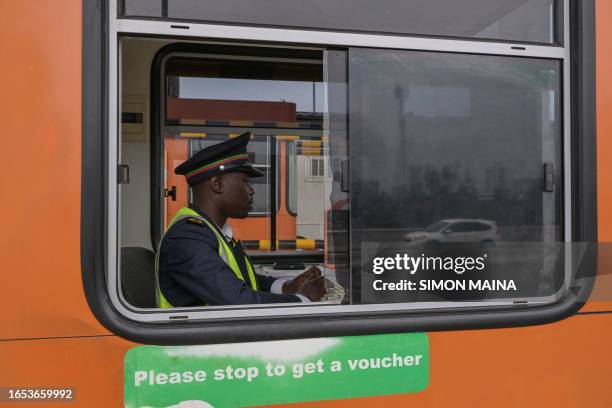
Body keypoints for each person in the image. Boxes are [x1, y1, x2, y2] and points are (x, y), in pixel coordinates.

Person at [156, 132, 327, 307]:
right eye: (245, 182)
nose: (251, 190)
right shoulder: (187, 238)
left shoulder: (211, 232)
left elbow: (242, 281)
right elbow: (239, 300)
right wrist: (303, 299)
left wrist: (287, 287)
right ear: (218, 184)